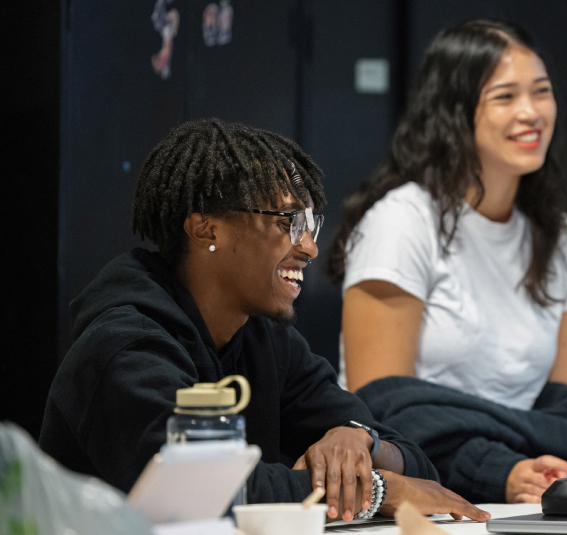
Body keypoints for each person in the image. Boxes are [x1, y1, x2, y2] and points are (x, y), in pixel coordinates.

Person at [39, 118, 489, 523]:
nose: (310, 247)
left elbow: (418, 466)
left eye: (311, 223)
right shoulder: (123, 346)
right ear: (205, 229)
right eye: (289, 222)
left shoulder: (265, 338)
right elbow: (197, 497)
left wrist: (359, 442)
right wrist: (375, 489)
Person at [328, 19, 567, 504]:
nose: (531, 112)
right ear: (453, 112)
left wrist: (539, 466)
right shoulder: (401, 221)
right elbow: (382, 409)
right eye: (505, 97)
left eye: (541, 92)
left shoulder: (565, 239)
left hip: (531, 487)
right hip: (420, 492)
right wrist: (500, 467)